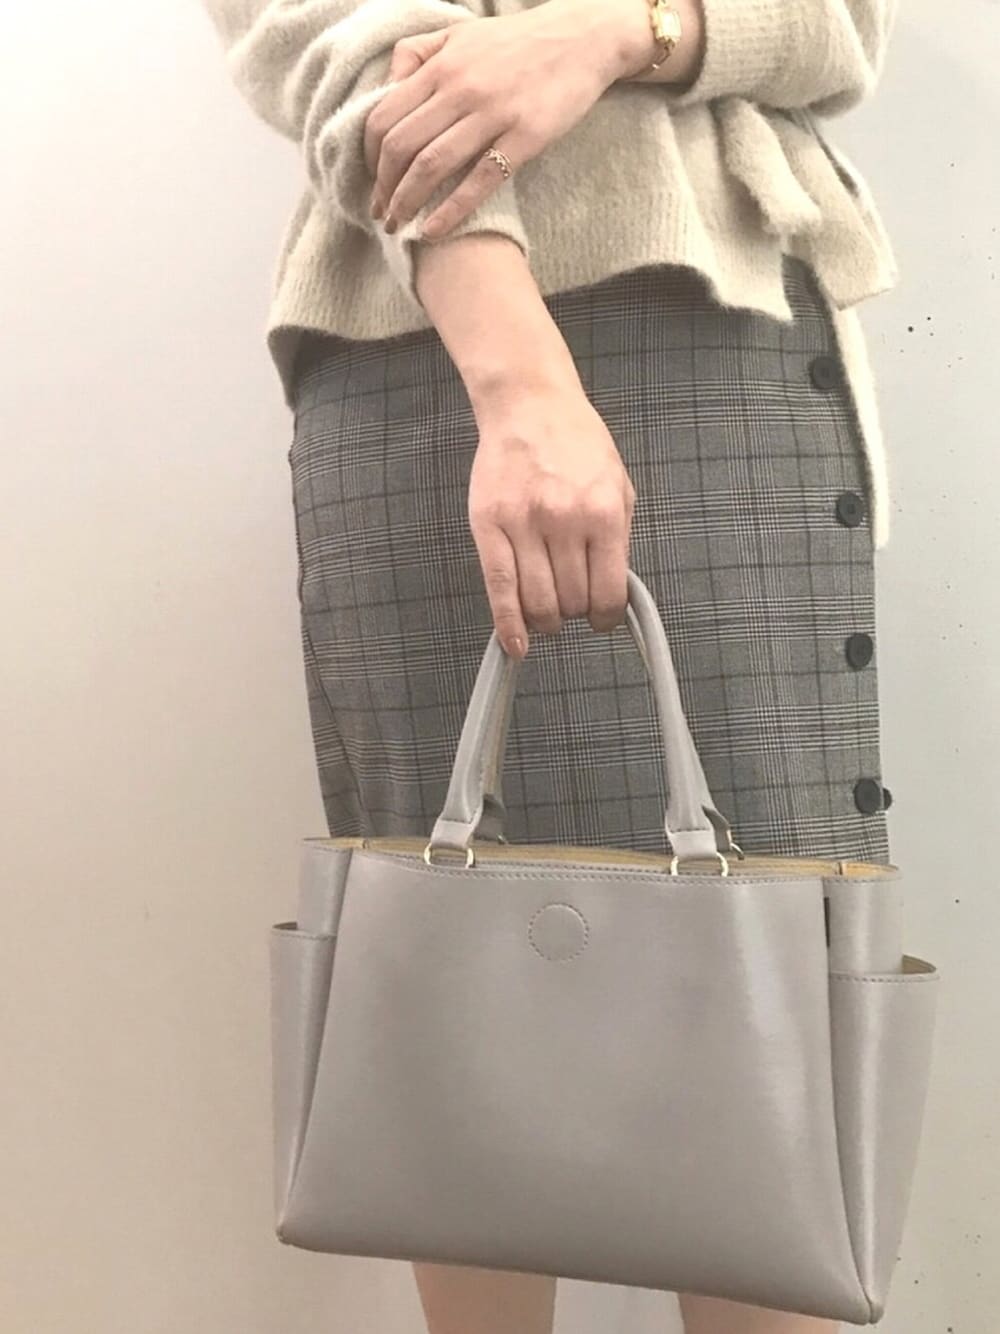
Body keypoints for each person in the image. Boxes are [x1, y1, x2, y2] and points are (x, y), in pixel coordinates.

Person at [202, 1, 900, 1330]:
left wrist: (617, 32)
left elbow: (841, 29)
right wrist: (521, 386)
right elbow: (341, 37)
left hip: (739, 335)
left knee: (764, 1002)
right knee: (456, 974)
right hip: (442, 345)